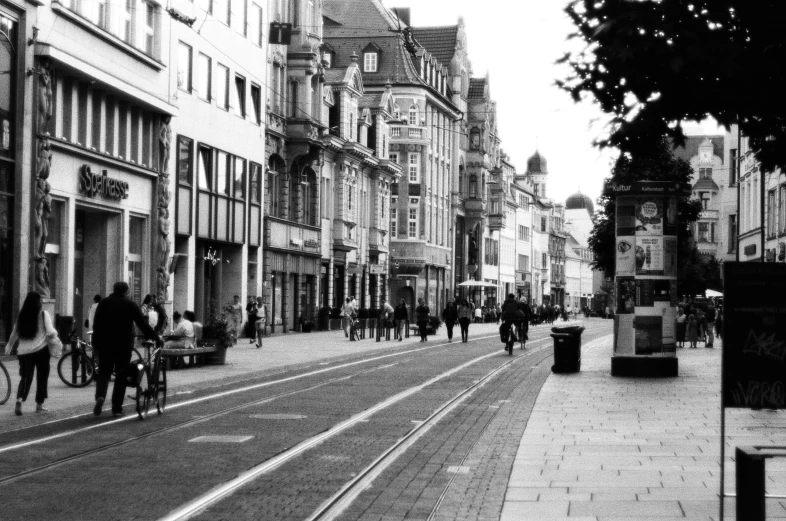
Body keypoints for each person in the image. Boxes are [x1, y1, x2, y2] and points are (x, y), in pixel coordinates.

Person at [92, 281, 162, 417]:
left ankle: (100, 396)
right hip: (123, 346)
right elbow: (142, 324)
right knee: (121, 376)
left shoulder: (103, 303)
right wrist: (156, 337)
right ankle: (116, 408)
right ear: (126, 291)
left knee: (104, 373)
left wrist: (95, 346)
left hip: (105, 345)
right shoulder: (130, 304)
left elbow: (96, 325)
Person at [4, 291, 58, 415]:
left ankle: (19, 400)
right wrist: (55, 336)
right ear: (38, 302)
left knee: (26, 377)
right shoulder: (44, 314)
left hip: (24, 352)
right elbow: (50, 332)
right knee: (42, 377)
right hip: (41, 351)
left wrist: (9, 346)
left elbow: (14, 333)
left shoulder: (22, 316)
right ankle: (39, 404)